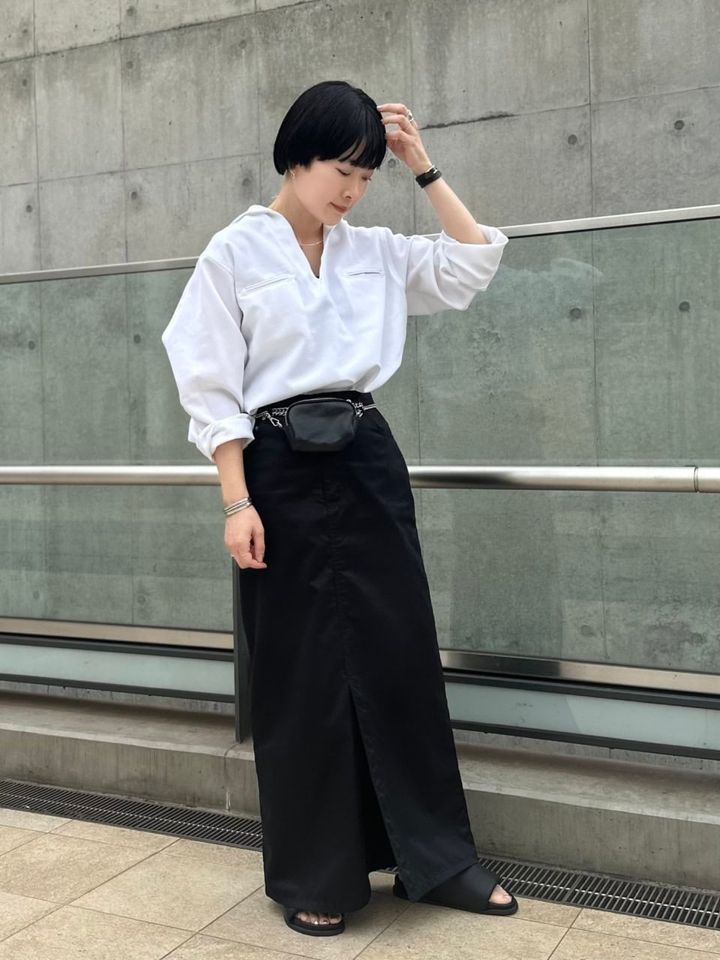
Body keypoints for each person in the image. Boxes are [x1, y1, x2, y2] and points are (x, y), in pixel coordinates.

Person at [161, 80, 515, 938]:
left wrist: (422, 167)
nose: (351, 190)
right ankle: (315, 873)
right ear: (296, 157)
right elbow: (208, 383)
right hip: (275, 468)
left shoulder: (377, 251)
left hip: (364, 460)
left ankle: (438, 861)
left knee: (400, 656)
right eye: (339, 170)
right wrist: (236, 501)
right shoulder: (235, 252)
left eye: (365, 175)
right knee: (300, 676)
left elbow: (472, 263)